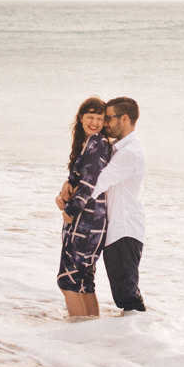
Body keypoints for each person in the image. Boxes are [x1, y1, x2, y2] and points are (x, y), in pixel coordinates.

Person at [65, 96, 145, 313]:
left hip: (125, 231)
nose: (105, 123)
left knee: (127, 298)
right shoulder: (118, 148)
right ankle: (121, 341)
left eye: (108, 118)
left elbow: (96, 184)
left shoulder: (130, 153)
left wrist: (69, 207)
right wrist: (69, 183)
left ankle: (138, 341)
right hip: (116, 231)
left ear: (125, 119)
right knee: (123, 295)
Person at [55, 97, 110, 317]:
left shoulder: (97, 142)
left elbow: (88, 184)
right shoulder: (92, 143)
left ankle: (78, 336)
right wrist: (64, 193)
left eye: (100, 118)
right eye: (90, 117)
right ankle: (90, 334)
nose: (95, 122)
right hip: (94, 221)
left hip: (86, 221)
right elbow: (82, 181)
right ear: (81, 118)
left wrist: (70, 212)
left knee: (67, 281)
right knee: (84, 282)